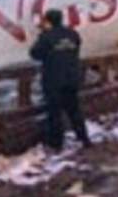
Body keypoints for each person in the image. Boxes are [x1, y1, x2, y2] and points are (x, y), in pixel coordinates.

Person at [29, 9, 91, 151]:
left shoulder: (46, 37)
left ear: (48, 21)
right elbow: (77, 48)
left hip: (54, 81)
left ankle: (57, 144)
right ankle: (84, 138)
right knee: (74, 111)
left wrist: (43, 36)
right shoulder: (72, 34)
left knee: (54, 114)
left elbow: (35, 53)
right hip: (72, 78)